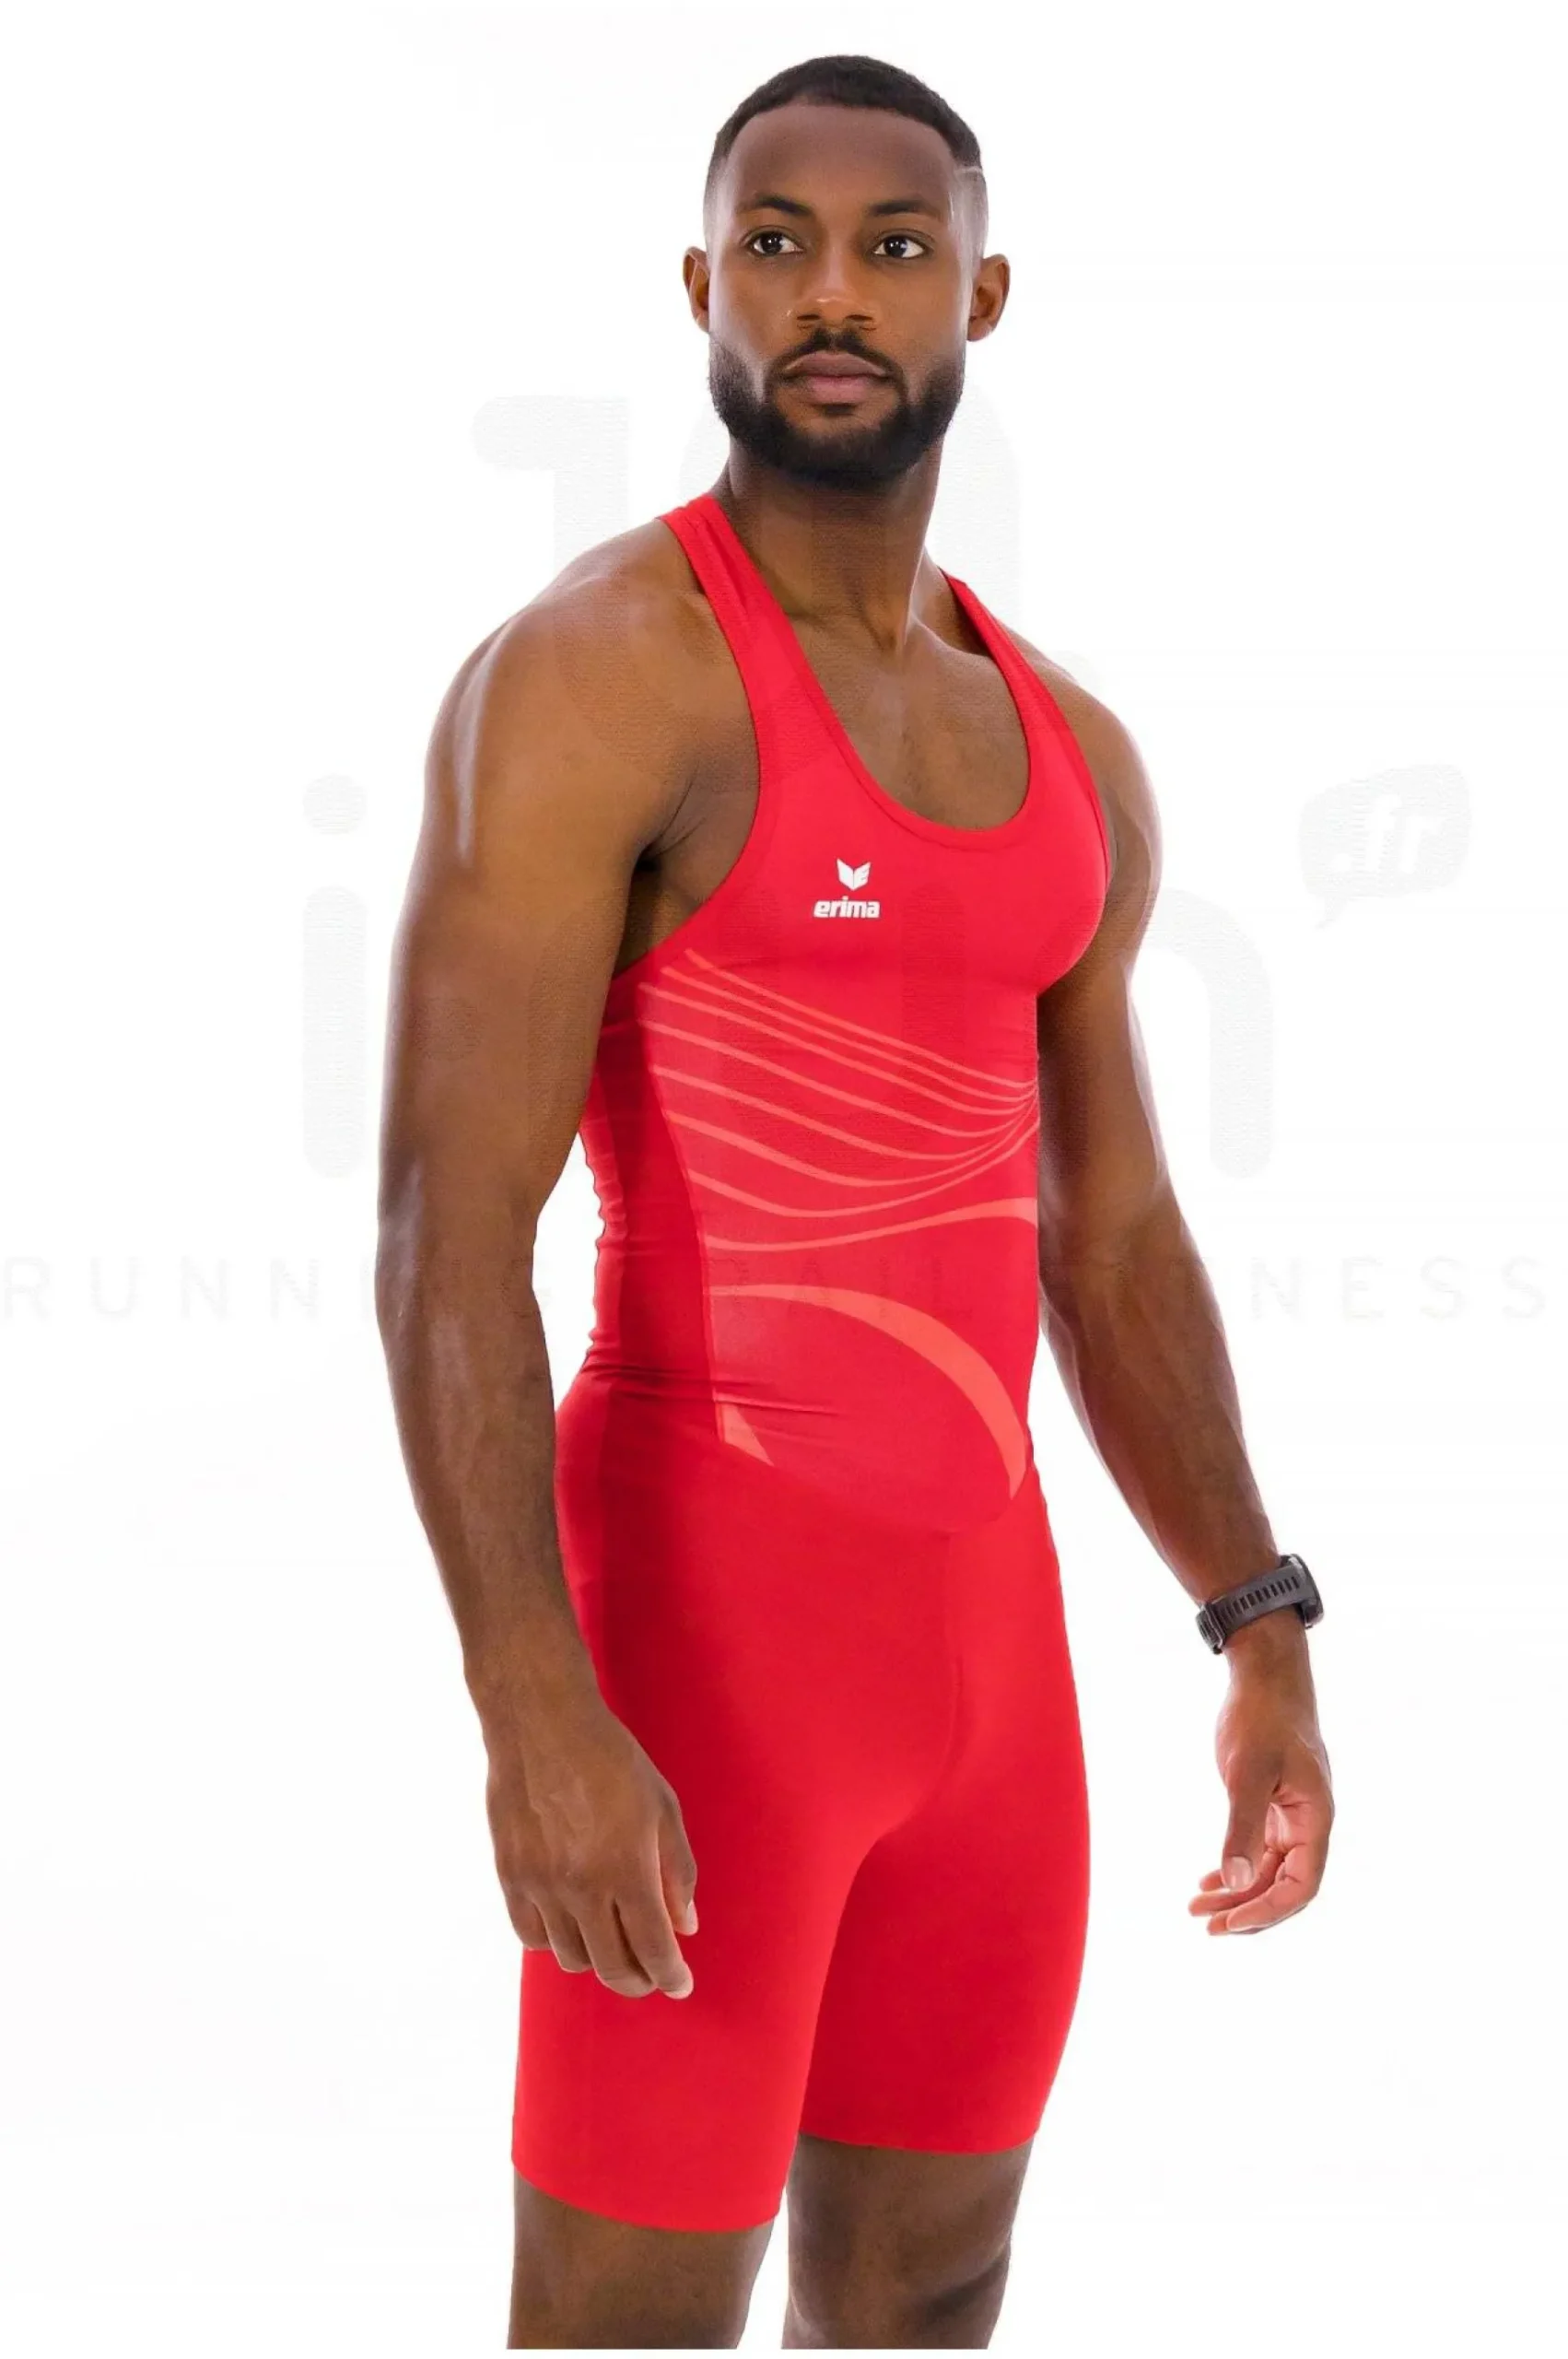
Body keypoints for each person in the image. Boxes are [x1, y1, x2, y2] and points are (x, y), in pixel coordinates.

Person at [375, 51, 1335, 2351]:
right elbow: (445, 1231)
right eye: (777, 244)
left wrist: (1256, 1615)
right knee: (624, 2320)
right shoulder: (598, 678)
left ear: (976, 294)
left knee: (930, 2295)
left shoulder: (1066, 743)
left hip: (987, 1672)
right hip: (697, 1644)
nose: (833, 294)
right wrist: (533, 1705)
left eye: (892, 248)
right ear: (699, 285)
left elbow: (1107, 1236)